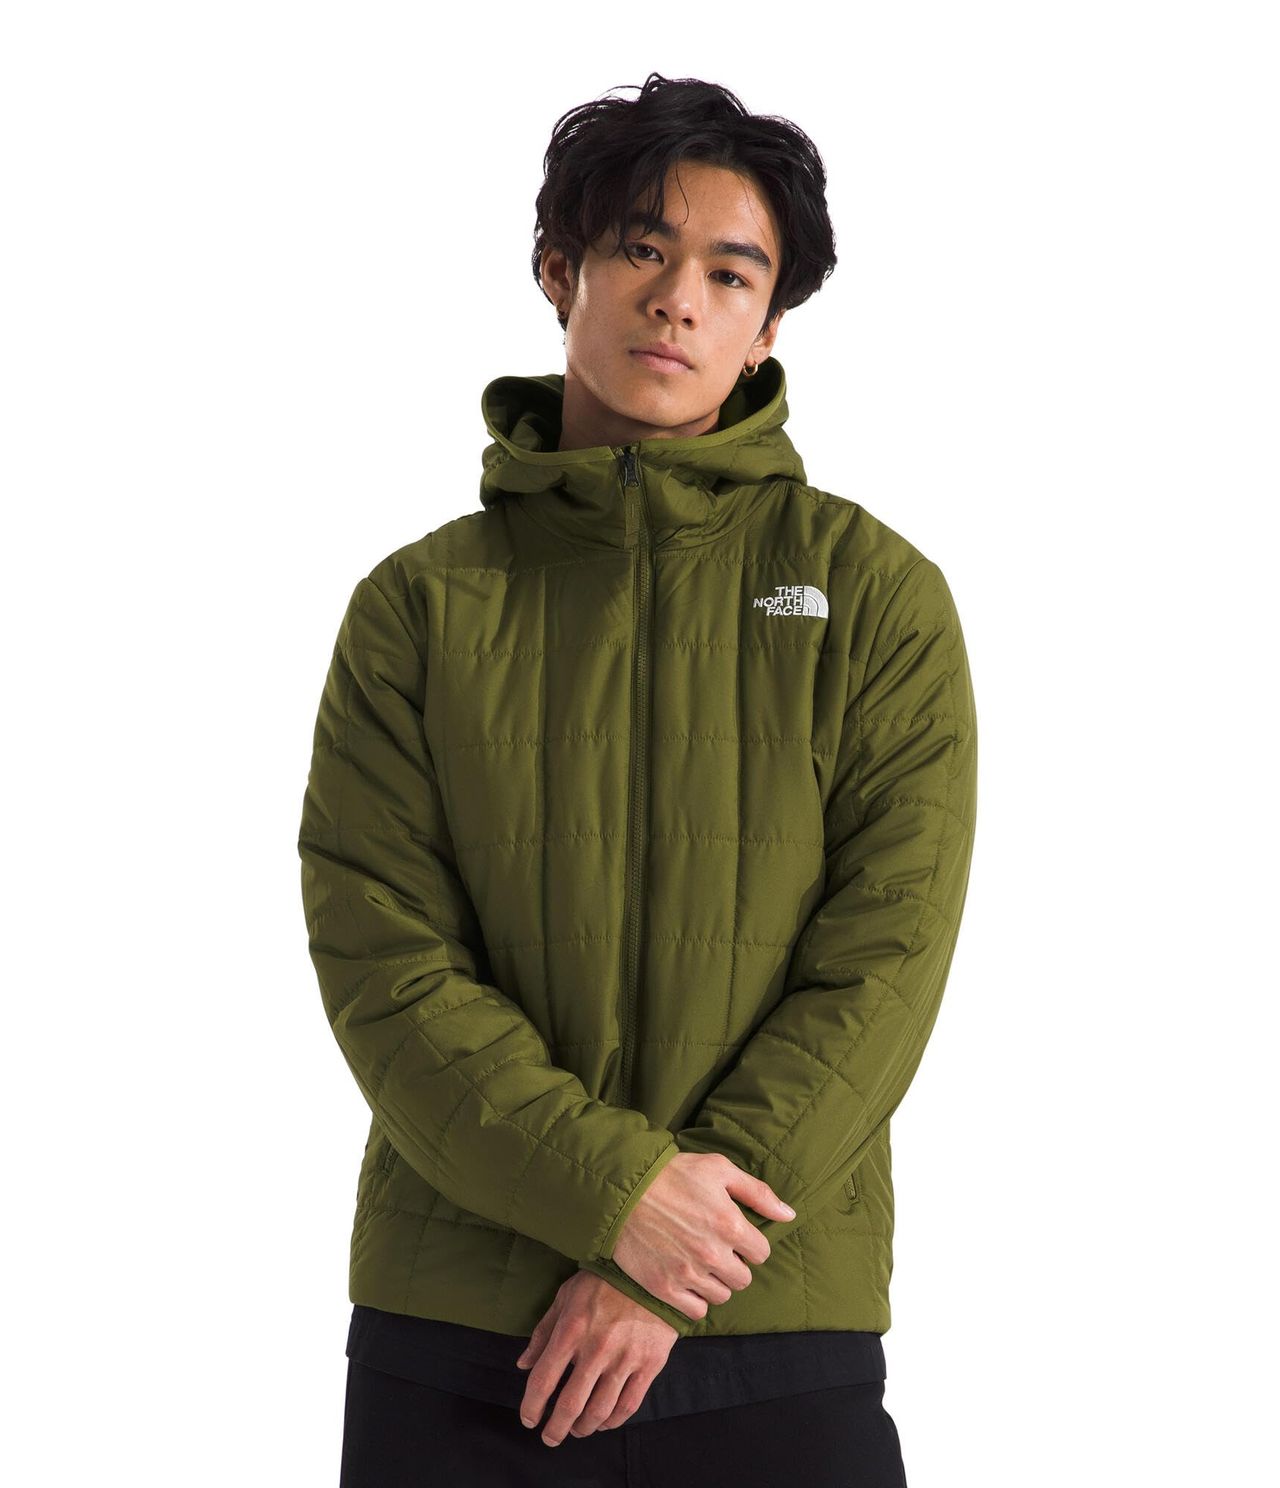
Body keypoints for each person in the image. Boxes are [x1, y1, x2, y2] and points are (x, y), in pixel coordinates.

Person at [298, 72, 978, 1488]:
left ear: (769, 324)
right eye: (640, 249)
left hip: (770, 1327)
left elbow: (885, 965)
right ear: (561, 270)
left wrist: (669, 1265)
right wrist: (619, 1198)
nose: (679, 302)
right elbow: (384, 961)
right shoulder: (418, 608)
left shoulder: (875, 596)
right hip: (460, 1333)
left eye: (731, 274)